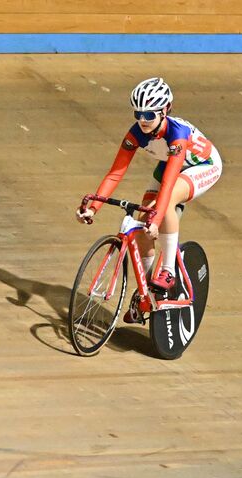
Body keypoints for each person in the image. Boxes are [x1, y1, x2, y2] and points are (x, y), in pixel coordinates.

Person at [76, 77, 223, 323]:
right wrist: (94, 208)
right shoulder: (136, 133)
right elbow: (115, 172)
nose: (142, 120)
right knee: (144, 224)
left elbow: (168, 186)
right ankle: (144, 292)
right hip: (168, 166)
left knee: (167, 204)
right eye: (138, 114)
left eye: (149, 115)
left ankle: (167, 271)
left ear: (165, 111)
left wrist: (158, 218)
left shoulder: (177, 134)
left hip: (202, 166)